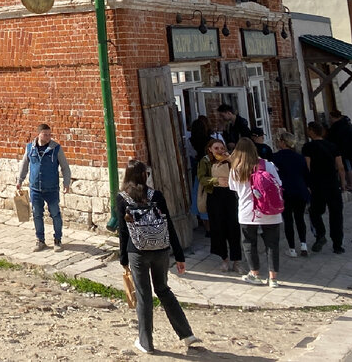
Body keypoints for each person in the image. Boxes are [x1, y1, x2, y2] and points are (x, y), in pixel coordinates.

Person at [116, 160, 197, 355]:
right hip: (161, 250)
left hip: (137, 251)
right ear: (145, 176)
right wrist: (179, 255)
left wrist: (123, 259)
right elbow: (169, 224)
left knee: (144, 295)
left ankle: (146, 342)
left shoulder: (122, 198)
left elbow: (123, 232)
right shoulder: (156, 195)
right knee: (163, 290)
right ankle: (186, 334)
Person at [228, 136, 283, 287]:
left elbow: (233, 189)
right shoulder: (268, 165)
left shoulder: (235, 169)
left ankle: (255, 274)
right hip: (270, 211)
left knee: (249, 243)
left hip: (248, 212)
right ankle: (273, 278)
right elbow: (279, 183)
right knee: (272, 244)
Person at [15, 123, 72, 252]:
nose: (48, 137)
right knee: (37, 215)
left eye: (49, 134)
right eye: (45, 134)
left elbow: (65, 167)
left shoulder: (56, 148)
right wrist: (19, 181)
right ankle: (40, 240)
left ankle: (58, 240)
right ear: (39, 134)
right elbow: (24, 165)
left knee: (55, 214)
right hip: (35, 188)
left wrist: (66, 183)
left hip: (51, 188)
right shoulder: (30, 148)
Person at [197, 137, 241, 271]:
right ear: (210, 149)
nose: (219, 151)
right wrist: (216, 181)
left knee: (233, 227)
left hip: (229, 196)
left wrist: (231, 160)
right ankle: (224, 259)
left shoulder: (229, 159)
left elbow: (240, 172)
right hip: (214, 197)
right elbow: (201, 178)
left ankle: (237, 261)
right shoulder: (205, 161)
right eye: (216, 148)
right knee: (218, 228)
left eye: (222, 148)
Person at [304, 120, 347, 253]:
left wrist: (307, 183)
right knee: (336, 214)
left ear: (311, 131)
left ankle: (320, 234)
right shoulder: (332, 146)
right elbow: (340, 166)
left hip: (317, 184)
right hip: (332, 183)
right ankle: (337, 244)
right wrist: (343, 182)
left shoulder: (308, 147)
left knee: (315, 212)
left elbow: (307, 167)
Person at [272, 130, 310, 257]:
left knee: (288, 219)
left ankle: (292, 248)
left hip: (285, 191)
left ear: (283, 142)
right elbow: (306, 174)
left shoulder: (276, 157)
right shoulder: (299, 157)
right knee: (300, 218)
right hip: (300, 189)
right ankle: (303, 245)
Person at [328, 109, 352, 191]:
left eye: (330, 118)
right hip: (351, 150)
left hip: (346, 151)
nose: (329, 120)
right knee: (349, 167)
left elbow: (335, 139)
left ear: (334, 117)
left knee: (349, 168)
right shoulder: (347, 125)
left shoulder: (338, 126)